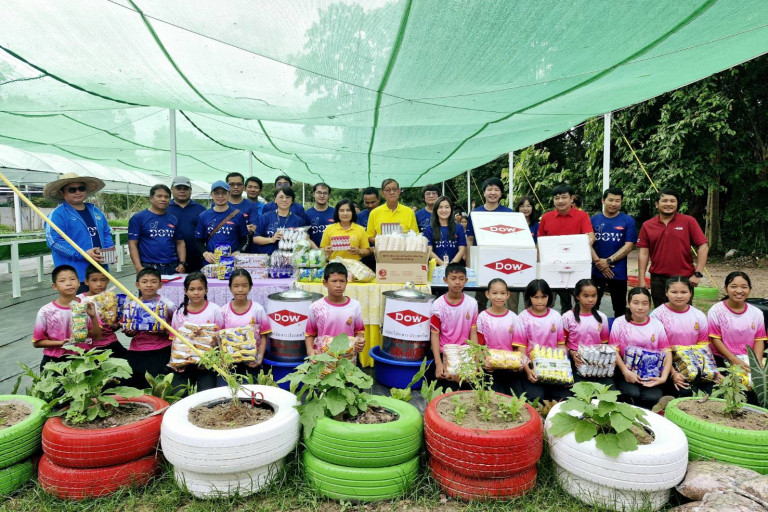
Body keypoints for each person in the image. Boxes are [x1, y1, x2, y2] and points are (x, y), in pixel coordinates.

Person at [637, 188, 709, 308]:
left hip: (683, 277)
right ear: (657, 204)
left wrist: (698, 273)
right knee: (660, 313)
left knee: (683, 313)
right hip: (658, 279)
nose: (669, 204)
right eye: (664, 201)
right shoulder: (647, 225)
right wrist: (641, 278)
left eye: (672, 201)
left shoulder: (688, 221)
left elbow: (703, 246)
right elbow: (643, 253)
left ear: (677, 204)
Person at [44, 173, 115, 293]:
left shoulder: (95, 211)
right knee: (79, 304)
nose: (77, 192)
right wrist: (83, 254)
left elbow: (106, 233)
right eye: (72, 190)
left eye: (81, 188)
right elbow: (54, 241)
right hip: (75, 274)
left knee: (99, 302)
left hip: (99, 272)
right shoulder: (58, 214)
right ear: (62, 193)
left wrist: (109, 251)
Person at [650, 276, 713, 396]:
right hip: (667, 363)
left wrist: (709, 370)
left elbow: (703, 347)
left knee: (708, 391)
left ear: (690, 293)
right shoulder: (657, 315)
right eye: (674, 292)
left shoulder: (698, 315)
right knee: (685, 392)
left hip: (694, 362)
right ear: (666, 292)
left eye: (684, 292)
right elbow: (657, 349)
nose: (679, 296)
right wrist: (673, 373)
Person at [537, 183, 595, 314]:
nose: (560, 201)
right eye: (556, 198)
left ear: (572, 198)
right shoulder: (546, 217)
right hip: (550, 267)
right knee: (546, 302)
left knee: (569, 306)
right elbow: (540, 243)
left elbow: (590, 236)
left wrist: (587, 241)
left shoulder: (582, 216)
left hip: (573, 268)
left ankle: (569, 325)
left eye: (564, 197)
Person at [611, 287, 671, 409]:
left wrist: (663, 378)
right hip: (624, 371)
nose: (640, 307)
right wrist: (626, 372)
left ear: (650, 305)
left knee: (653, 397)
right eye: (635, 303)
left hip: (651, 373)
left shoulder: (656, 324)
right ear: (628, 304)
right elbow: (613, 350)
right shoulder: (620, 323)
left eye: (644, 303)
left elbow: (667, 352)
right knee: (632, 394)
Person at [33, 265, 102, 370]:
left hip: (84, 359)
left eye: (72, 279)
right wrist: (61, 343)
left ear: (79, 282)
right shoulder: (46, 311)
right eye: (62, 281)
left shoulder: (88, 305)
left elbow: (97, 336)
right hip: (55, 361)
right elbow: (37, 342)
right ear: (55, 286)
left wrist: (93, 317)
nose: (69, 283)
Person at [512, 279, 570, 402]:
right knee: (535, 398)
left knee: (565, 398)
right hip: (531, 366)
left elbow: (561, 346)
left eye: (544, 297)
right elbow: (521, 350)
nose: (540, 301)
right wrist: (528, 371)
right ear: (529, 297)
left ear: (549, 297)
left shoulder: (555, 316)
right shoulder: (522, 318)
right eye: (535, 297)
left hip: (554, 366)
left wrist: (566, 372)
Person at [122, 268, 175, 389]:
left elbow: (176, 329)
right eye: (144, 282)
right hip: (137, 349)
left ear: (160, 285)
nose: (149, 285)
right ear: (137, 285)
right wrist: (129, 332)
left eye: (153, 281)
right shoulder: (131, 305)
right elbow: (127, 330)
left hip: (161, 349)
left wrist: (164, 330)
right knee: (133, 383)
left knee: (156, 385)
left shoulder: (168, 305)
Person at [170, 272, 223, 392]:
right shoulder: (179, 313)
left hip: (208, 364)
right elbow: (175, 341)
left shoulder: (215, 310)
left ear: (206, 290)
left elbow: (220, 338)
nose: (196, 293)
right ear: (185, 291)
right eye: (192, 289)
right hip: (184, 363)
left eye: (200, 289)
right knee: (178, 393)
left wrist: (212, 358)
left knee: (206, 394)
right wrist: (177, 362)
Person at [430, 263, 479, 389]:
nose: (457, 282)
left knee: (471, 390)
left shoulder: (472, 304)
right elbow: (434, 335)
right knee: (445, 390)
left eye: (461, 279)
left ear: (466, 281)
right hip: (445, 353)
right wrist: (438, 363)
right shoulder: (437, 305)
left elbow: (473, 333)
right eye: (453, 278)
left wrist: (476, 361)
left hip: (465, 354)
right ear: (445, 280)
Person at [590, 187, 636, 318]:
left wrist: (608, 261)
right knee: (591, 307)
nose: (614, 203)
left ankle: (620, 330)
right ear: (603, 200)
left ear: (621, 202)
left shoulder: (628, 220)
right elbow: (587, 244)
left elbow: (629, 246)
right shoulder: (593, 220)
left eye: (617, 201)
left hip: (618, 272)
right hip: (596, 271)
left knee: (620, 308)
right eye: (610, 200)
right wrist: (599, 263)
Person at [305, 262, 366, 357]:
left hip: (347, 358)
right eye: (334, 281)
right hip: (323, 358)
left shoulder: (354, 305)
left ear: (347, 282)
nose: (338, 285)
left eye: (342, 281)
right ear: (325, 283)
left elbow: (359, 331)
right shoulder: (316, 307)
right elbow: (310, 334)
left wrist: (360, 340)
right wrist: (310, 350)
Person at [708, 271, 766, 371]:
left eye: (744, 287)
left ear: (750, 289)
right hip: (722, 359)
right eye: (733, 286)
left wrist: (757, 362)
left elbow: (759, 340)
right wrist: (733, 360)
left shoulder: (757, 313)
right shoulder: (716, 310)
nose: (739, 291)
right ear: (726, 288)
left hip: (748, 359)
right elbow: (715, 339)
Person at [562, 279, 611, 388]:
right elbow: (562, 343)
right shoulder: (567, 317)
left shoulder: (602, 317)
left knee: (607, 390)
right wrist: (572, 353)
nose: (590, 300)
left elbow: (604, 343)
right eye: (586, 296)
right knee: (581, 390)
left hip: (597, 362)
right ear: (577, 296)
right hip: (576, 361)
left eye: (594, 296)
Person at [128, 184, 186, 275]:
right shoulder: (139, 218)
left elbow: (180, 242)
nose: (163, 199)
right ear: (151, 198)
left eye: (166, 197)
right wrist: (138, 266)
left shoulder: (173, 219)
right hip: (148, 266)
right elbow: (132, 243)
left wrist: (182, 263)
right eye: (159, 196)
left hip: (172, 267)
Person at [221, 269, 270, 374]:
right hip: (231, 362)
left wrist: (259, 357)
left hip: (252, 361)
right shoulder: (224, 311)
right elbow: (219, 338)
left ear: (250, 287)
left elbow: (263, 336)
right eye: (236, 286)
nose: (240, 290)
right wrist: (223, 359)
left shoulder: (257, 309)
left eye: (244, 286)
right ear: (230, 288)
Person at [476, 278, 519, 395]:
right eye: (494, 293)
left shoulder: (514, 318)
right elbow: (479, 345)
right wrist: (483, 361)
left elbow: (518, 346)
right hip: (489, 366)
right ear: (487, 294)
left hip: (509, 366)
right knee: (493, 395)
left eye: (502, 293)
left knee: (514, 395)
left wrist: (516, 363)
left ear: (508, 294)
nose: (499, 297)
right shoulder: (482, 317)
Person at [78, 265, 128, 358]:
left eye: (103, 280)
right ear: (86, 281)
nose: (99, 284)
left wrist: (117, 324)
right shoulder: (79, 300)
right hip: (89, 346)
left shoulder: (112, 299)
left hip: (110, 341)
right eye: (94, 280)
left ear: (108, 280)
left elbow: (113, 326)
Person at [195, 181, 249, 263]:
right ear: (211, 194)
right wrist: (205, 253)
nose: (220, 196)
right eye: (216, 193)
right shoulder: (203, 216)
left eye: (224, 193)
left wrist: (238, 251)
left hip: (232, 261)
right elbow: (198, 240)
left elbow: (245, 239)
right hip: (211, 262)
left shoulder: (238, 215)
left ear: (229, 194)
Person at [253, 186, 309, 255]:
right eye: (281, 197)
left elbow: (305, 240)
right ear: (275, 200)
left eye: (288, 197)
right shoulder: (266, 217)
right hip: (268, 257)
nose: (284, 200)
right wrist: (271, 239)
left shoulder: (298, 221)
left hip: (289, 258)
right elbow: (255, 239)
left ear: (292, 201)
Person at [168, 176, 206, 272]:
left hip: (197, 258)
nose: (182, 191)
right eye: (178, 188)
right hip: (171, 259)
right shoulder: (166, 208)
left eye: (185, 188)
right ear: (171, 189)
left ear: (191, 190)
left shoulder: (200, 209)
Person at [465, 177, 513, 250]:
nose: (493, 193)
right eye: (489, 190)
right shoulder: (474, 214)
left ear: (500, 194)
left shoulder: (509, 213)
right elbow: (470, 239)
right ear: (484, 193)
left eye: (496, 190)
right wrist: (469, 257)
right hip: (480, 254)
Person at [366, 178, 418, 244]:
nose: (392, 192)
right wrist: (384, 241)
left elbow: (415, 235)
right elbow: (369, 236)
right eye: (388, 190)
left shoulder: (409, 212)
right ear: (382, 193)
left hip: (404, 249)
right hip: (382, 249)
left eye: (394, 189)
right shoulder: (374, 213)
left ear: (399, 191)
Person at [422, 196, 466, 266]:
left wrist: (451, 265)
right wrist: (443, 265)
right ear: (436, 210)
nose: (444, 210)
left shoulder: (459, 228)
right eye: (440, 207)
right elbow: (429, 250)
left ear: (451, 209)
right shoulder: (429, 229)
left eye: (447, 207)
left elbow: (462, 249)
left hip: (455, 268)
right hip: (436, 268)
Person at [226, 172, 260, 246]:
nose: (235, 187)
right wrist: (244, 228)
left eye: (239, 184)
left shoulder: (252, 206)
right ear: (226, 186)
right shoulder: (219, 204)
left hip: (245, 247)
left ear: (244, 187)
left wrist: (229, 227)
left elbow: (253, 228)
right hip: (223, 246)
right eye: (232, 184)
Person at [306, 183, 335, 248]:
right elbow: (307, 237)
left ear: (329, 195)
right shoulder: (307, 214)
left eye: (325, 193)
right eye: (319, 193)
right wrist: (318, 251)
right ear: (314, 194)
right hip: (314, 252)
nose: (322, 196)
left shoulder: (335, 213)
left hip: (333, 251)